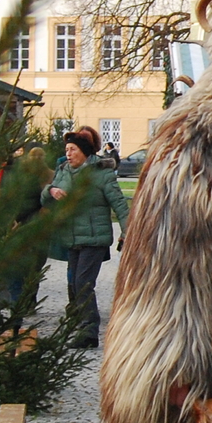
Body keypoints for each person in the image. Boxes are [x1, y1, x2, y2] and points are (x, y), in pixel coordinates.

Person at [45, 128, 127, 348]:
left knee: (83, 283)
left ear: (83, 152)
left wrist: (127, 233)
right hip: (72, 238)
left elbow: (120, 204)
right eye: (67, 150)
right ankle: (80, 325)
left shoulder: (101, 173)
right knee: (74, 284)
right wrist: (51, 191)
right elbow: (46, 196)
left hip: (94, 239)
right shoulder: (63, 170)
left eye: (72, 149)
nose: (68, 154)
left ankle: (89, 331)